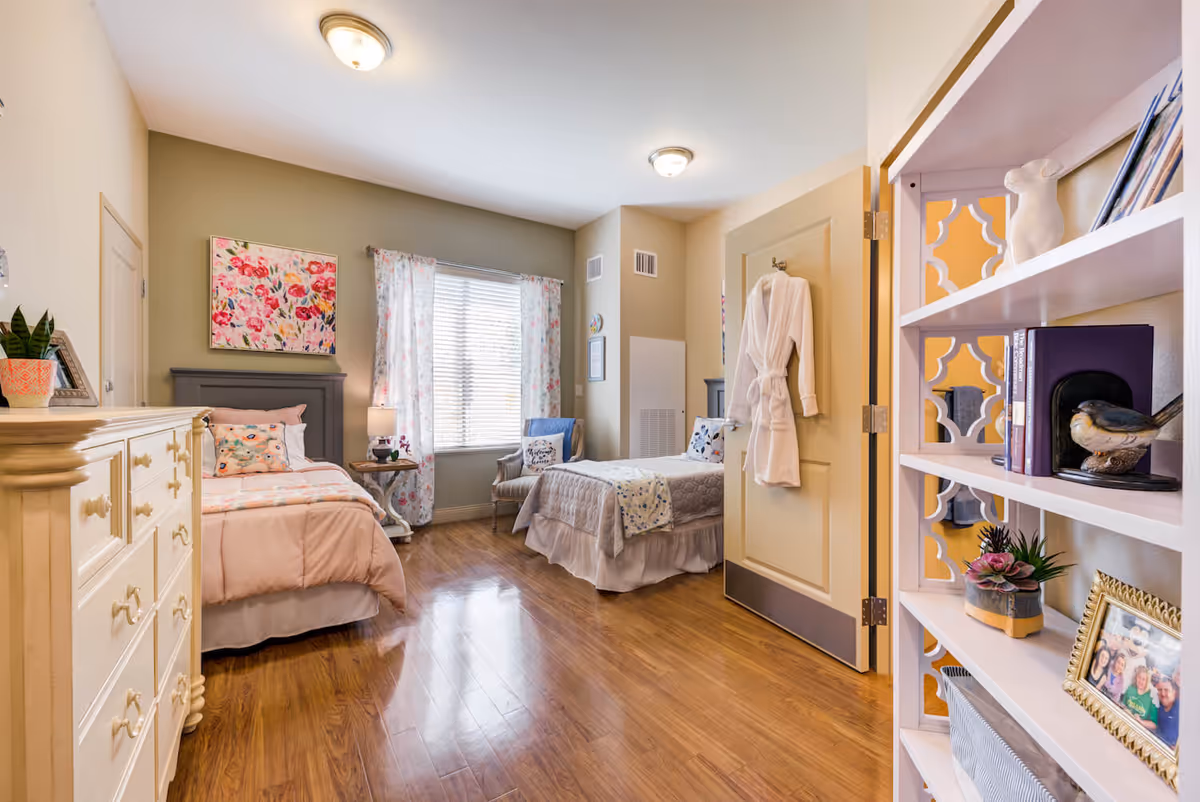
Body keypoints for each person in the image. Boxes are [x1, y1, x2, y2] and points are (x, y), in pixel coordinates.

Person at [1122, 665, 1158, 731]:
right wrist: (1125, 710)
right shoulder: (1130, 689)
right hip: (1125, 722)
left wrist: (1140, 721)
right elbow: (1123, 705)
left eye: (1143, 679)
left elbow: (1154, 725)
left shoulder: (1151, 697)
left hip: (1138, 730)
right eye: (1139, 677)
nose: (1140, 681)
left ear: (1147, 681)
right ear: (1136, 677)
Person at [1155, 677, 1180, 749]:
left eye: (1166, 690)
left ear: (1174, 693)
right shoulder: (1156, 705)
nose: (1163, 694)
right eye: (1160, 690)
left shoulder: (1181, 710)